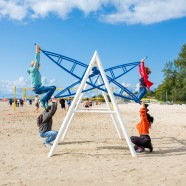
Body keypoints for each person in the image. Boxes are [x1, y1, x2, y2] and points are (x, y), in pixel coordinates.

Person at [27, 44, 56, 109]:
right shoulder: (33, 70)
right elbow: (37, 61)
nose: (39, 65)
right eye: (37, 64)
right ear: (33, 65)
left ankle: (45, 104)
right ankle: (43, 100)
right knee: (51, 89)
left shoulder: (37, 71)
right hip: (37, 88)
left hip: (39, 87)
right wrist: (37, 51)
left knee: (53, 87)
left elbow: (37, 62)